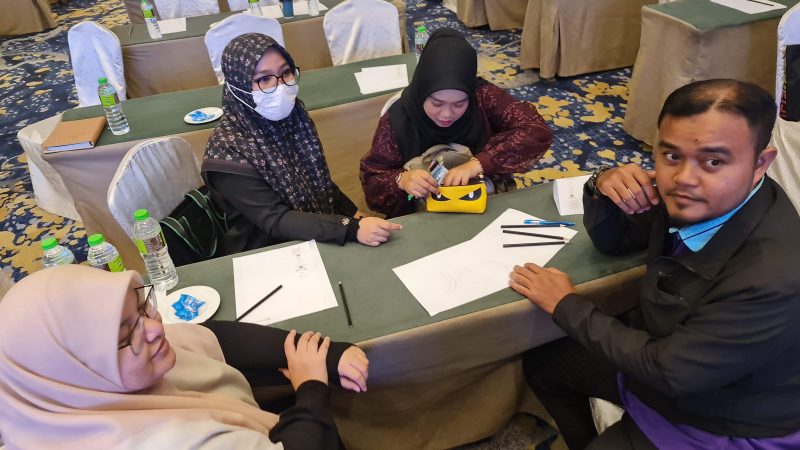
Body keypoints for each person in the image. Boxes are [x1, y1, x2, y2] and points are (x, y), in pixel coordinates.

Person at [509, 79, 800, 449]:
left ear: (761, 163)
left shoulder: (774, 276)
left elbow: (670, 374)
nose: (684, 179)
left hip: (722, 418)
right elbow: (615, 242)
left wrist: (567, 305)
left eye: (713, 161)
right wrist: (604, 185)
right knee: (546, 362)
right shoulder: (706, 197)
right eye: (672, 156)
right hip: (667, 361)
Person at [0, 265, 369, 449]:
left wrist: (327, 354)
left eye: (142, 307)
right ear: (71, 374)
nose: (154, 327)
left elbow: (213, 337)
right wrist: (311, 388)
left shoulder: (72, 391)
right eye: (127, 334)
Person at [203, 33, 401, 253]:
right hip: (266, 250)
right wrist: (350, 228)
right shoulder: (227, 153)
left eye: (285, 73)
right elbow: (275, 219)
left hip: (315, 230)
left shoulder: (294, 117)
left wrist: (351, 212)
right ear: (238, 86)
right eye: (264, 79)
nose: (280, 85)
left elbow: (318, 178)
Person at [360, 28, 552, 218]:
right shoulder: (398, 120)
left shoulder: (483, 97)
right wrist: (401, 180)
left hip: (483, 200)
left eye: (459, 104)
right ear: (421, 91)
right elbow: (373, 182)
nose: (446, 114)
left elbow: (535, 130)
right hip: (424, 214)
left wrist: (479, 163)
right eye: (437, 103)